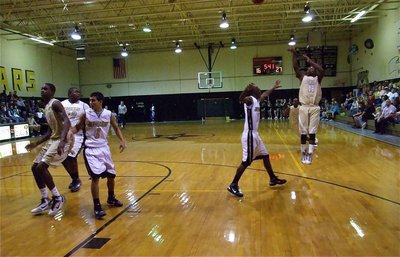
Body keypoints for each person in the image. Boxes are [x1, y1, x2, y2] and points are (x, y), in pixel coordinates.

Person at [227, 80, 287, 197]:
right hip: (249, 135)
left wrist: (273, 87)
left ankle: (272, 178)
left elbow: (265, 94)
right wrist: (246, 89)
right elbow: (240, 99)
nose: (260, 90)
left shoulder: (257, 100)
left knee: (265, 155)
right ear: (253, 92)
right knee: (246, 162)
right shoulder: (249, 100)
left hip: (255, 135)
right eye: (257, 89)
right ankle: (233, 184)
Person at [72, 92, 127, 219]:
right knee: (95, 178)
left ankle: (111, 197)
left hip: (104, 148)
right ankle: (97, 206)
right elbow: (77, 127)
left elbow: (116, 128)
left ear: (101, 101)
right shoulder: (85, 114)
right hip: (91, 149)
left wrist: (122, 141)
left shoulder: (108, 114)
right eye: (90, 100)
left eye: (93, 100)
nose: (91, 102)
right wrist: (68, 134)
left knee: (111, 175)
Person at [25, 83, 73, 216]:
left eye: (45, 89)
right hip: (53, 139)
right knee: (34, 167)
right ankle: (45, 199)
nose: (42, 90)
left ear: (52, 91)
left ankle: (58, 198)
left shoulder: (55, 103)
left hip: (62, 139)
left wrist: (63, 141)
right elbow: (50, 131)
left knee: (41, 167)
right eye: (41, 88)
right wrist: (36, 143)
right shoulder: (46, 107)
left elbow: (67, 121)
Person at [289, 48, 324, 165]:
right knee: (303, 131)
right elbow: (295, 67)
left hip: (315, 107)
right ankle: (303, 152)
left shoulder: (318, 78)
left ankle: (310, 153)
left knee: (312, 131)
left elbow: (321, 70)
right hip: (303, 107)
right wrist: (294, 54)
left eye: (312, 68)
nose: (310, 69)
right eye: (309, 68)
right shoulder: (302, 77)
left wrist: (310, 61)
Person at [61, 87, 90, 192]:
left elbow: (86, 121)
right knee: (62, 157)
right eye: (75, 91)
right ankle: (74, 178)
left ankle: (76, 180)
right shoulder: (62, 104)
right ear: (69, 93)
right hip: (63, 134)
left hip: (78, 135)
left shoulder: (84, 105)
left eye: (79, 91)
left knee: (71, 157)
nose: (78, 93)